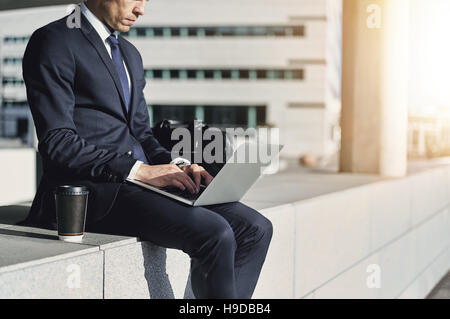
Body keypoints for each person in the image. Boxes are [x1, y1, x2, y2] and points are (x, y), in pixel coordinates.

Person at [21, 0, 272, 299]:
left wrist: (179, 165)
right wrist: (139, 172)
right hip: (97, 191)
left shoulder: (129, 54)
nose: (141, 10)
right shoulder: (54, 40)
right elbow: (57, 141)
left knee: (256, 227)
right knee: (215, 233)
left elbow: (142, 134)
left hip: (143, 184)